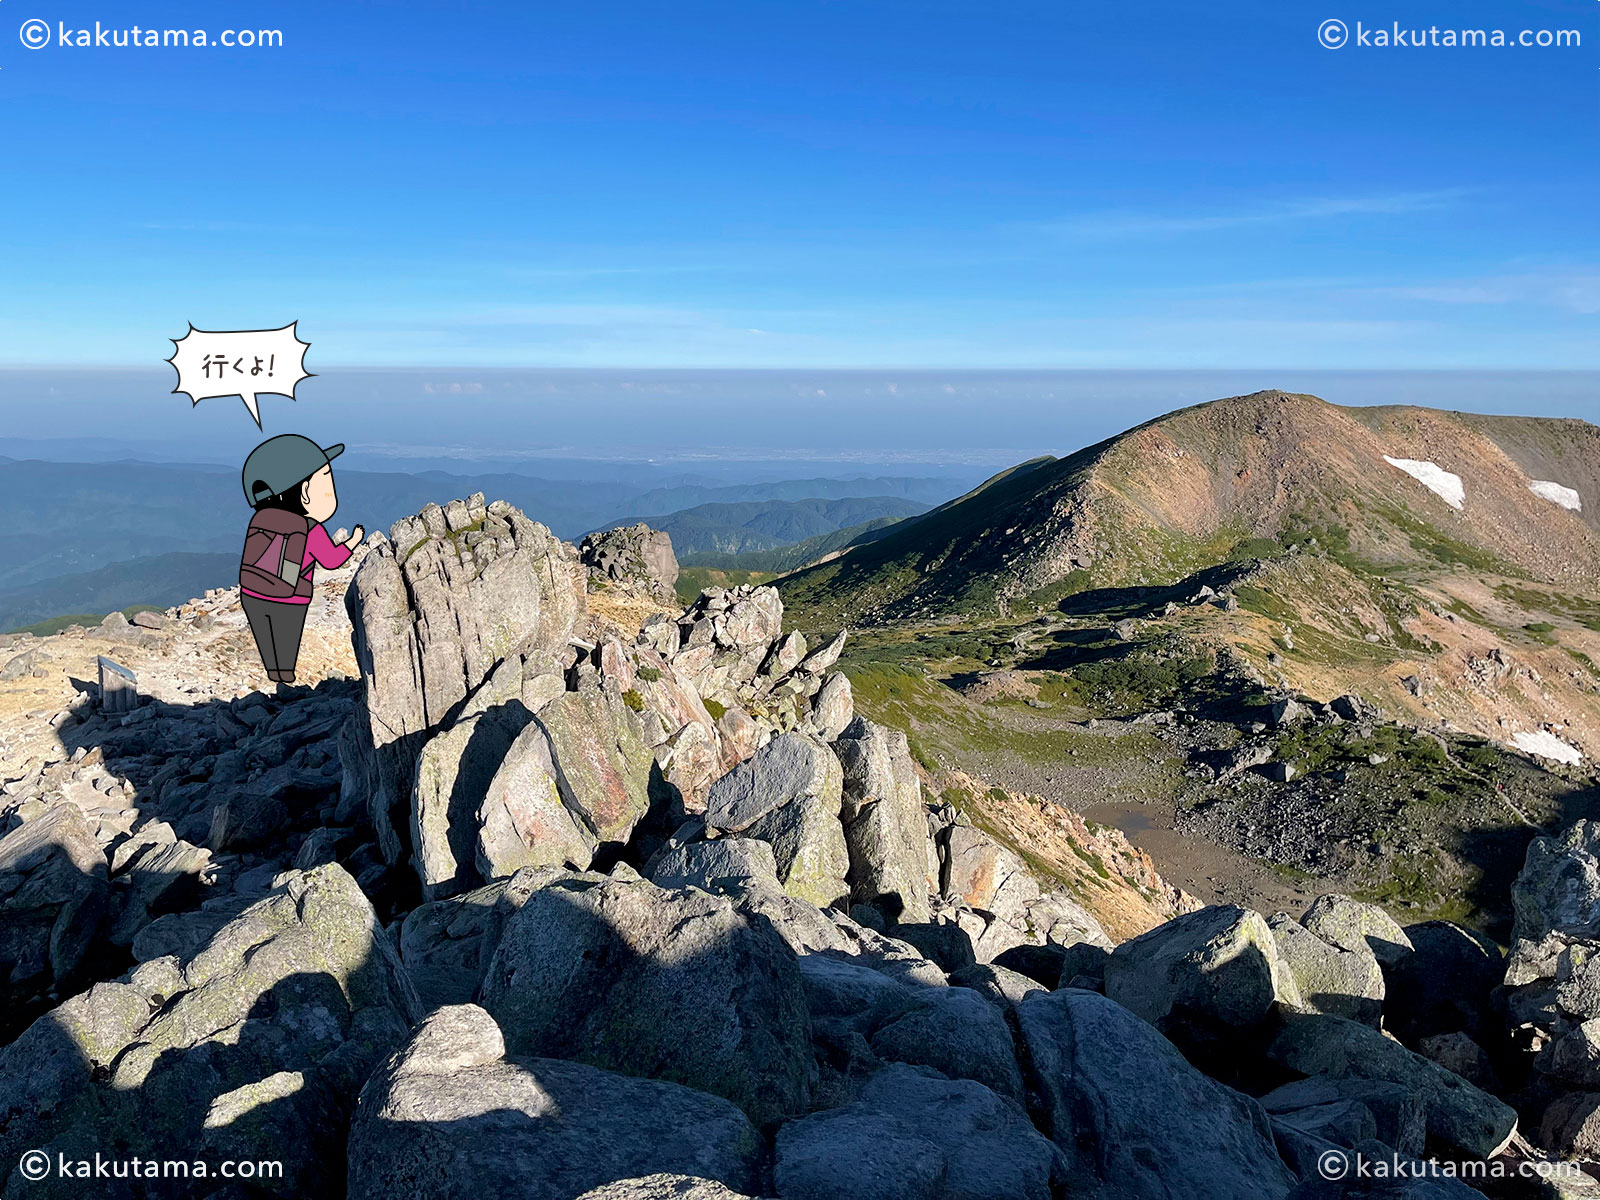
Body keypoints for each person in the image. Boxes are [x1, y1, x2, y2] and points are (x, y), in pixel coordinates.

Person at [238, 434, 364, 685]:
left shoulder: (260, 519)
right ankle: (284, 678)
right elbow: (330, 561)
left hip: (252, 592)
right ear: (305, 492)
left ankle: (273, 673)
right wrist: (351, 542)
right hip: (290, 597)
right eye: (326, 479)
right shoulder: (311, 529)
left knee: (266, 637)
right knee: (286, 639)